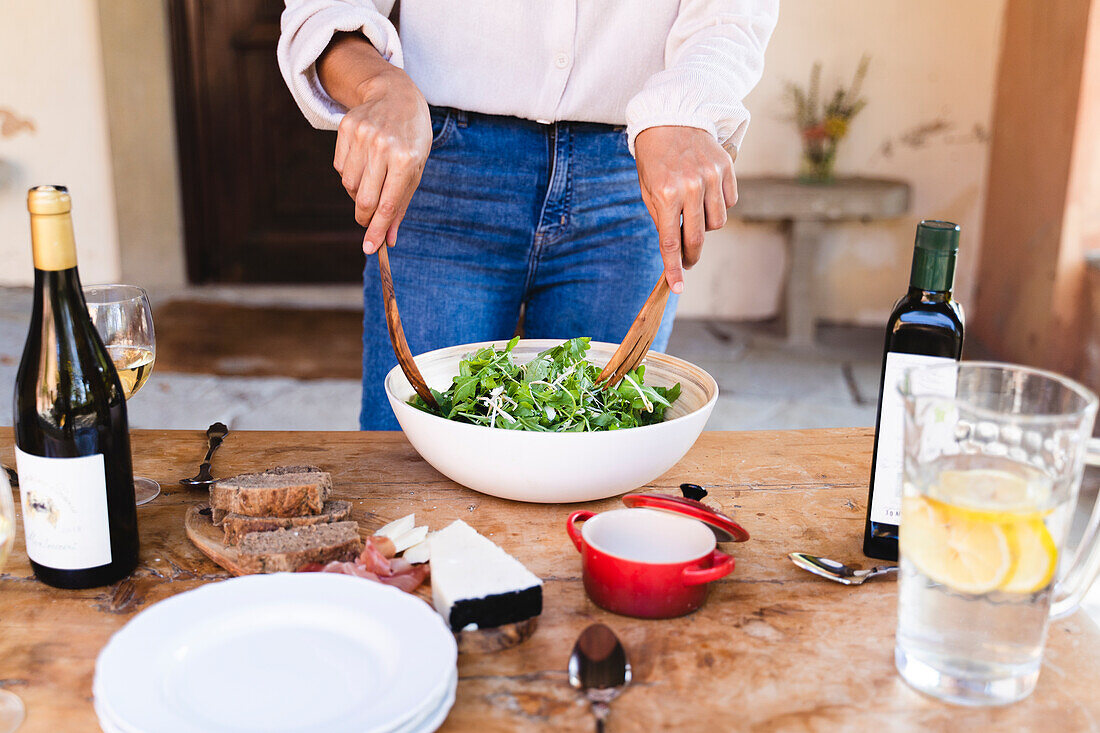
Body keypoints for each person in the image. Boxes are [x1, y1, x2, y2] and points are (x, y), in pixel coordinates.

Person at [279, 0, 778, 430]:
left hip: (629, 167)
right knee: (409, 473)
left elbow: (730, 15)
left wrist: (687, 106)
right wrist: (380, 86)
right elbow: (326, 12)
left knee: (598, 462)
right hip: (444, 166)